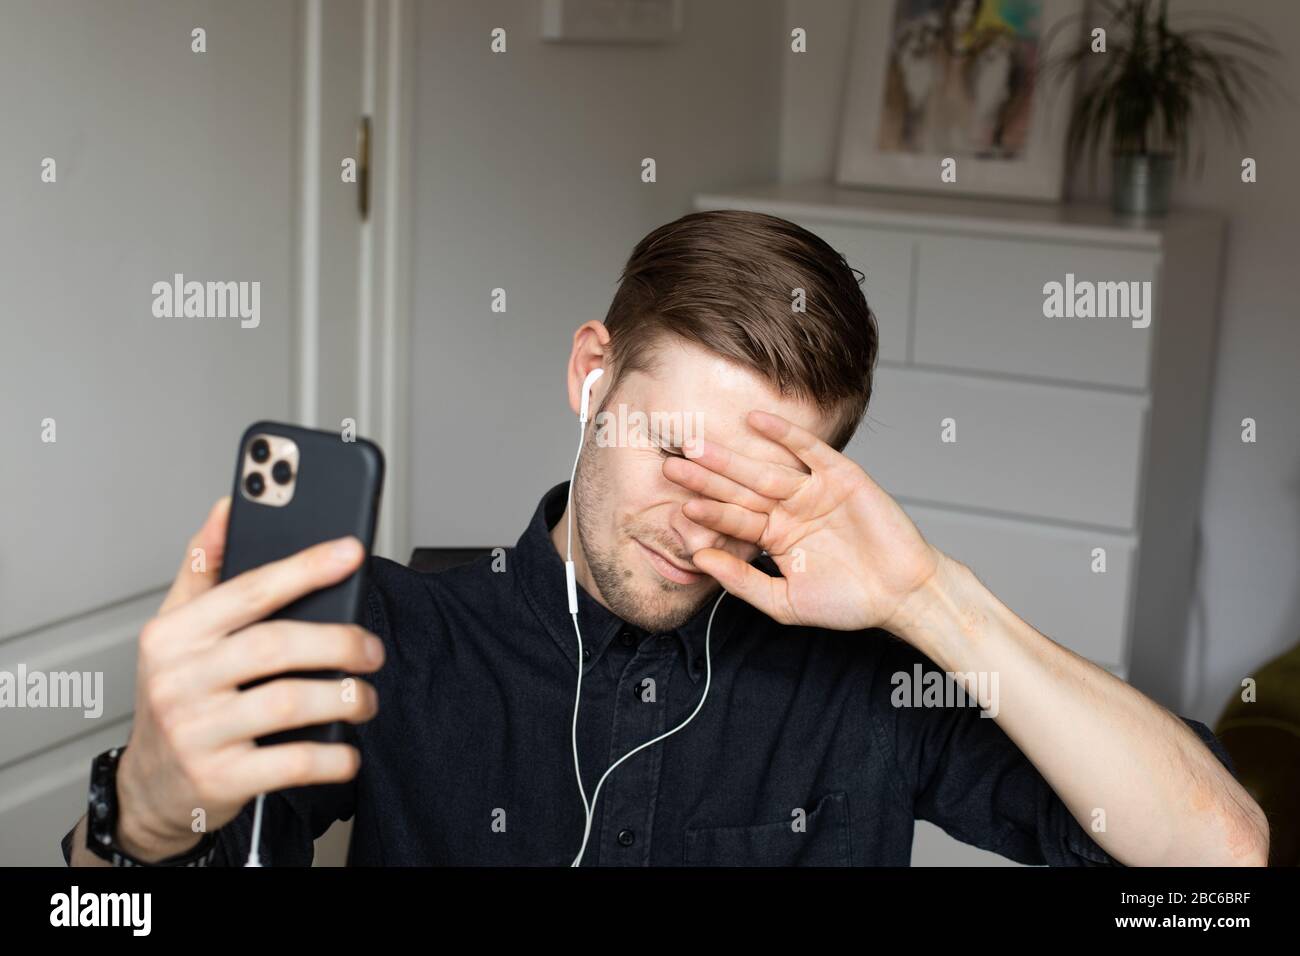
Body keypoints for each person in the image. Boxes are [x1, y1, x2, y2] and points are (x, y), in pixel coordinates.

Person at [63, 210, 1268, 866]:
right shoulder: (389, 635)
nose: (700, 515)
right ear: (593, 375)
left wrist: (932, 598)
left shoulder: (873, 680)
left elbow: (1220, 854)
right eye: (680, 445)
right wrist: (143, 819)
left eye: (761, 475)